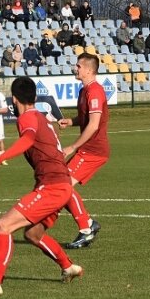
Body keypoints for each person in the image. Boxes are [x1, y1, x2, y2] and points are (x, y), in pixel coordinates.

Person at [0, 76, 83, 296]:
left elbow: (28, 140)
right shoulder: (44, 120)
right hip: (60, 185)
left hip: (53, 186)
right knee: (33, 234)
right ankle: (69, 267)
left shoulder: (27, 118)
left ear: (14, 99)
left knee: (4, 225)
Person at [57, 53, 108, 249]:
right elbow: (86, 119)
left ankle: (86, 228)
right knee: (62, 185)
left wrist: (72, 147)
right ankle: (87, 225)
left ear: (88, 70)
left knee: (63, 186)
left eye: (78, 66)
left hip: (93, 150)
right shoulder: (84, 90)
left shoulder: (94, 91)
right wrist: (71, 121)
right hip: (88, 149)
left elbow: (94, 125)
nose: (75, 68)